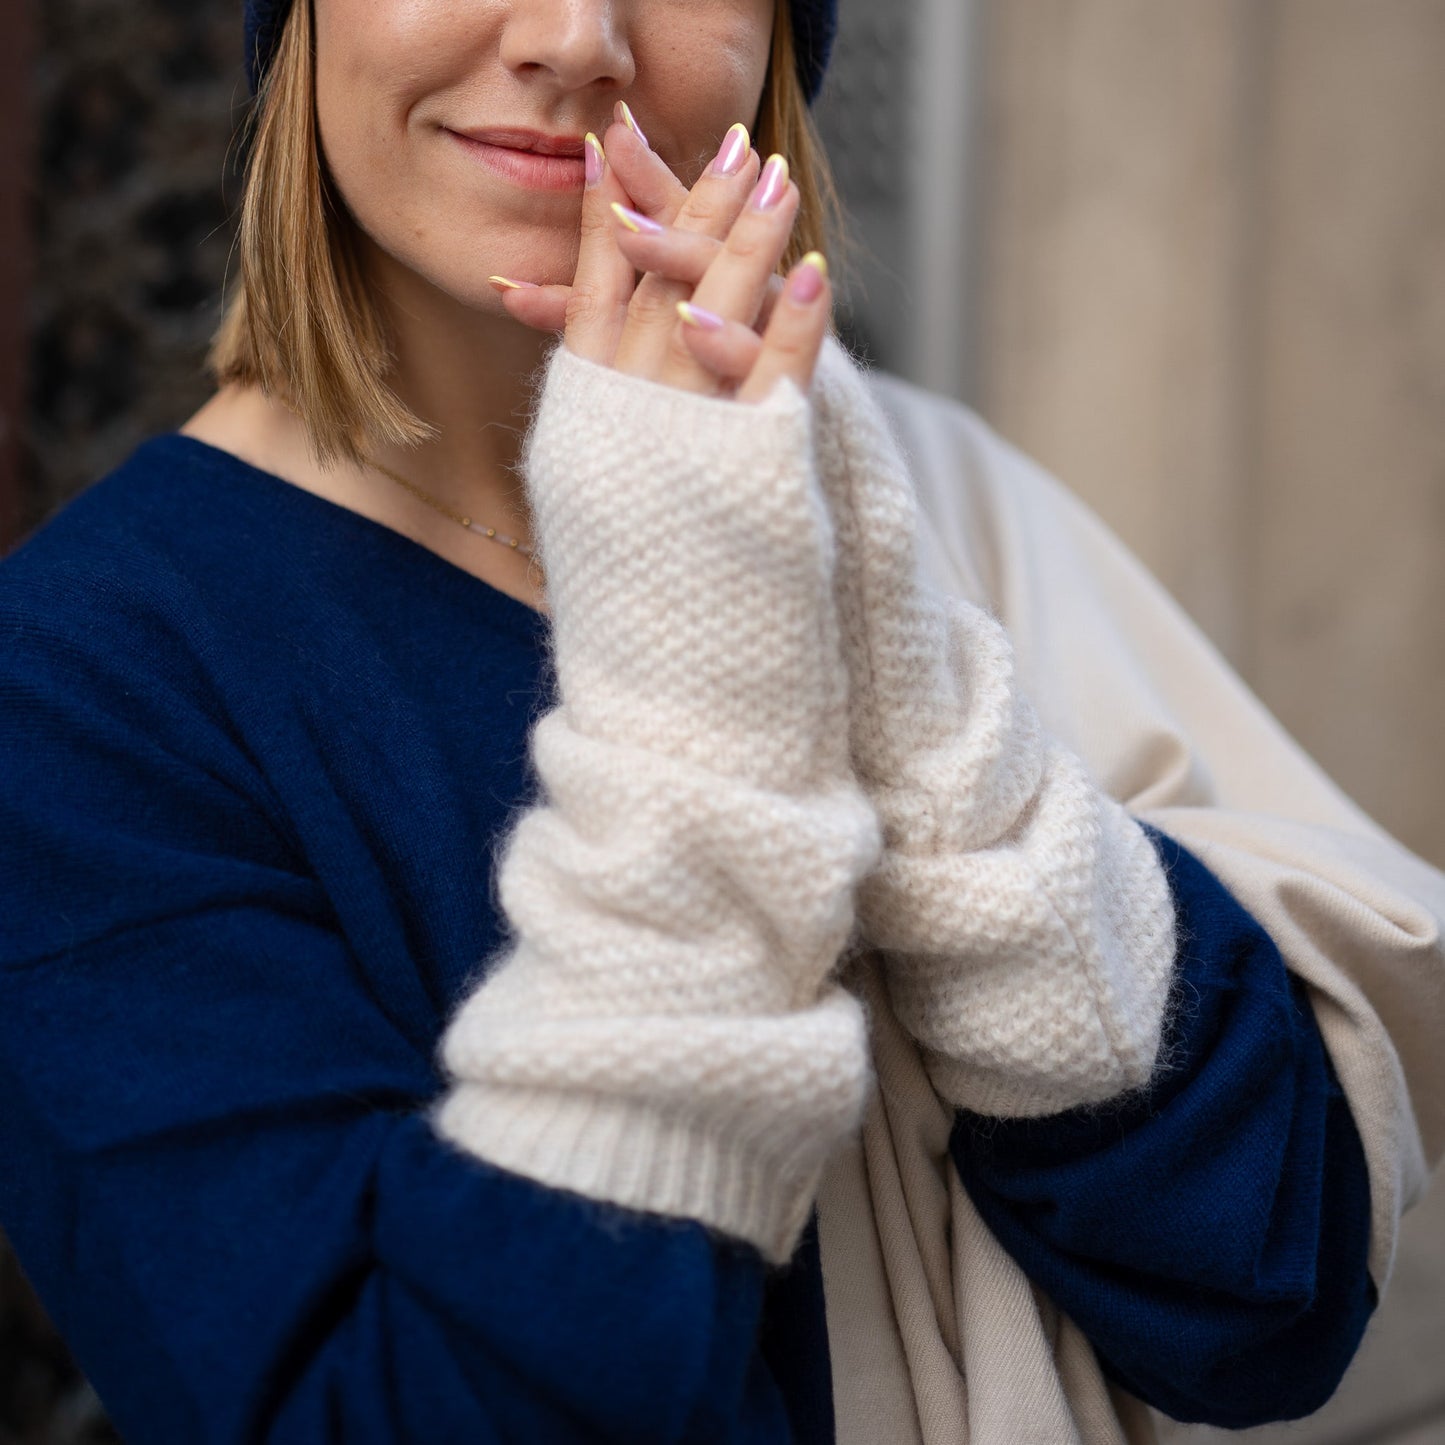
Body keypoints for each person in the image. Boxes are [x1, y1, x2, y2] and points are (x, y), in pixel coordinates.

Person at [2, 0, 1443, 1441]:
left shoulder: (934, 503)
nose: (574, 36)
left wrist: (935, 742)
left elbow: (1265, 1298)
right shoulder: (80, 686)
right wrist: (697, 706)